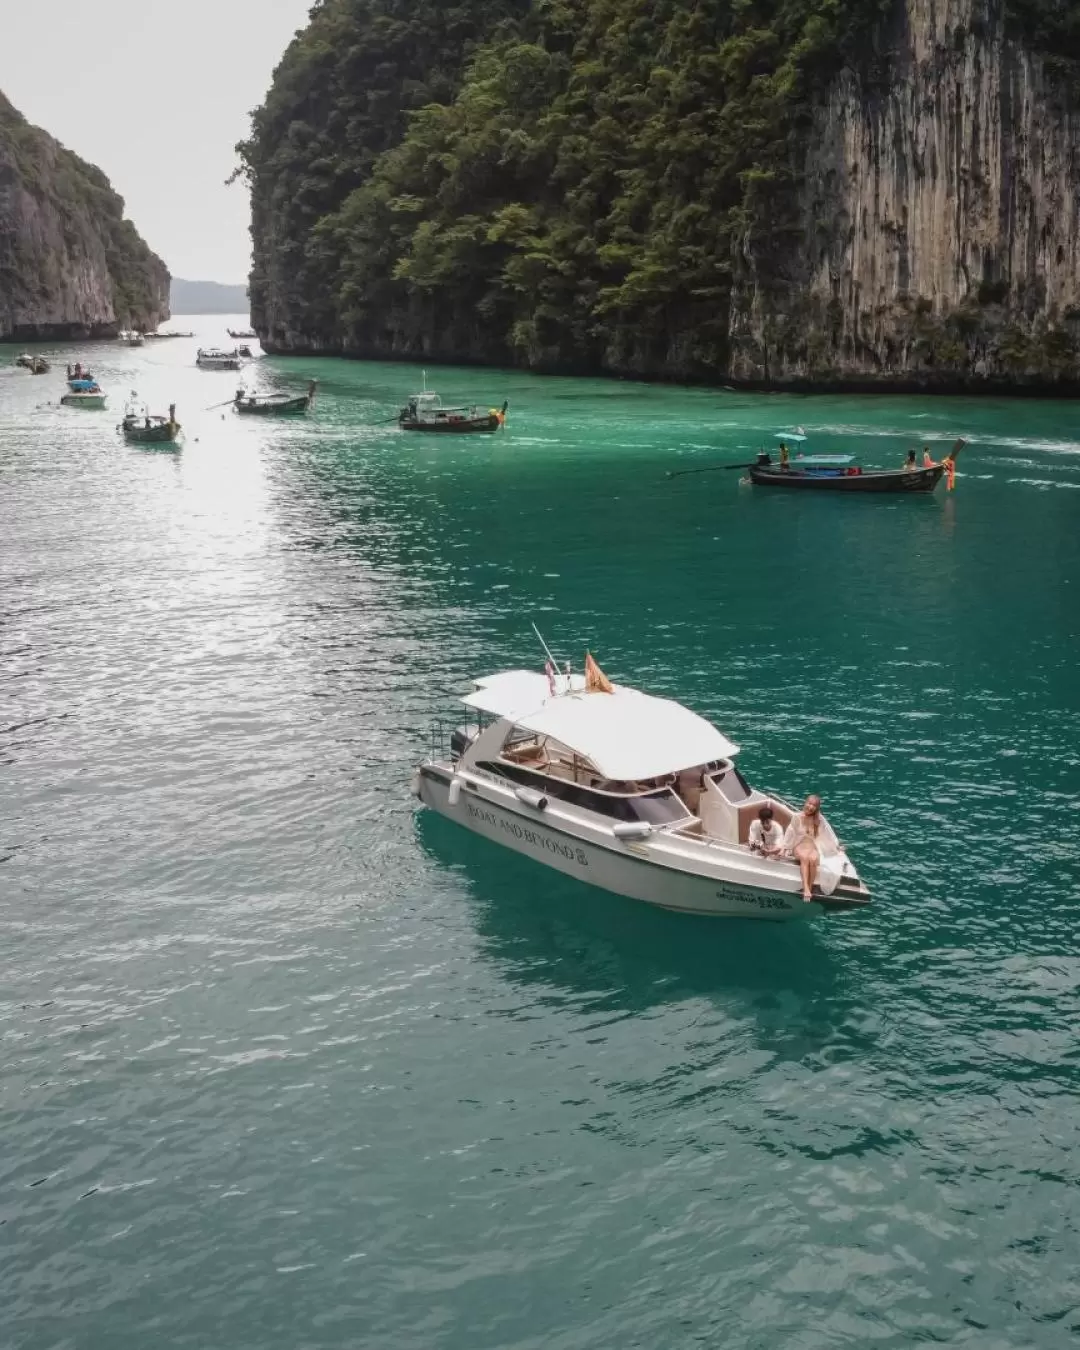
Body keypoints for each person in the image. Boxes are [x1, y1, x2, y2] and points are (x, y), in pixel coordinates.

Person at [784, 795, 844, 901]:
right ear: (805, 803)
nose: (811, 807)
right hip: (799, 845)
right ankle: (806, 889)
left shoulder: (818, 819)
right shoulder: (797, 817)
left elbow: (827, 833)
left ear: (817, 808)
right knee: (804, 857)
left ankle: (810, 888)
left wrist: (836, 846)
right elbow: (790, 832)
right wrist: (785, 847)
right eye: (809, 803)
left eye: (814, 805)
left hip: (812, 846)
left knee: (813, 859)